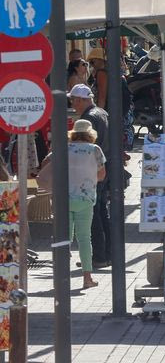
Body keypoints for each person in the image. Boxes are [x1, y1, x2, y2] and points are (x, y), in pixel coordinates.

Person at [38, 119, 106, 289]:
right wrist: (87, 179)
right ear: (90, 134)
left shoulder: (63, 148)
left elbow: (45, 164)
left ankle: (61, 278)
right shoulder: (95, 149)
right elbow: (102, 175)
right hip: (85, 199)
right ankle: (87, 278)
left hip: (63, 199)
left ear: (74, 133)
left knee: (63, 239)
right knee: (84, 239)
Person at [68, 84, 112, 269]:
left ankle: (98, 256)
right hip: (102, 169)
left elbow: (88, 148)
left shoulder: (89, 118)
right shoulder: (101, 112)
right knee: (102, 213)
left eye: (73, 101)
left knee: (93, 217)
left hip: (91, 175)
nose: (73, 105)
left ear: (80, 100)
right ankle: (107, 254)